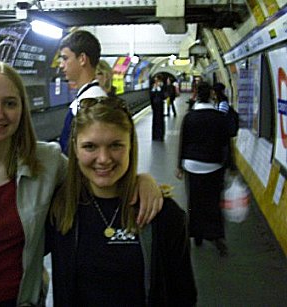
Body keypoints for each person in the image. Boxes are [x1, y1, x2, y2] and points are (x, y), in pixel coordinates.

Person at [0, 61, 163, 306]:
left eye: (10, 103)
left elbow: (97, 177)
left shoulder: (47, 163)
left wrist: (141, 179)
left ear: (22, 108)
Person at [47, 96, 197, 306]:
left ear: (130, 145)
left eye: (115, 145)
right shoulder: (60, 210)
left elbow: (183, 294)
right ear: (75, 148)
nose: (103, 159)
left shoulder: (163, 214)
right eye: (90, 147)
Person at [176, 81, 230, 257]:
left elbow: (183, 142)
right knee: (214, 202)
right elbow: (225, 144)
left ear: (196, 94)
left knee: (194, 201)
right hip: (214, 164)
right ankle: (216, 236)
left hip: (192, 164)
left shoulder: (190, 117)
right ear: (212, 95)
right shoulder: (219, 118)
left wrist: (179, 166)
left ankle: (196, 234)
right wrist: (230, 165)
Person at [58, 30, 107, 155]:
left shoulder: (91, 103)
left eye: (65, 58)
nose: (61, 65)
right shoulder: (90, 97)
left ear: (82, 59)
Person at [149, 74, 165, 141]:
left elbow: (163, 95)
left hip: (160, 105)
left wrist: (158, 88)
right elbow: (151, 95)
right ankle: (154, 136)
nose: (156, 81)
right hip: (155, 105)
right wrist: (154, 89)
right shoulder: (153, 86)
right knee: (155, 120)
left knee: (160, 120)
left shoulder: (162, 86)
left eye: (157, 79)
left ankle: (160, 135)